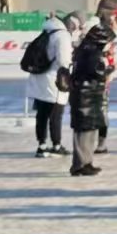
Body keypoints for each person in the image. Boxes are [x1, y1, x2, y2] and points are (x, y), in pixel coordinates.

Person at [23, 13, 73, 158]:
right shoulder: (62, 35)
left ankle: (42, 146)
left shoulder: (46, 32)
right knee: (56, 114)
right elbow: (64, 60)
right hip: (55, 79)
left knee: (42, 114)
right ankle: (56, 145)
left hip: (39, 78)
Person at [68, 21, 114, 177]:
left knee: (87, 131)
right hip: (86, 96)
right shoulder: (92, 51)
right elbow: (95, 72)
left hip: (86, 96)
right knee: (85, 132)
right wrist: (111, 69)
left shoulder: (85, 48)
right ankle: (81, 164)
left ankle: (85, 162)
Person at [95, 6, 117, 154]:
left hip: (102, 78)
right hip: (102, 78)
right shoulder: (104, 40)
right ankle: (100, 143)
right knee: (101, 112)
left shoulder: (98, 38)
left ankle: (99, 142)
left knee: (99, 111)